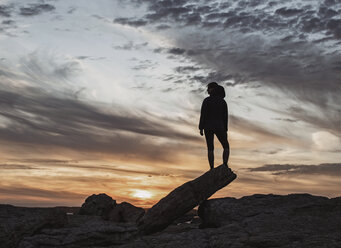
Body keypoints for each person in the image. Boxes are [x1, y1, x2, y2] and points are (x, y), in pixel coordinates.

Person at [199, 82, 230, 170]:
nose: (207, 90)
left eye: (209, 88)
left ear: (213, 89)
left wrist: (201, 128)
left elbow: (203, 115)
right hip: (220, 127)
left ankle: (212, 168)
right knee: (226, 146)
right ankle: (225, 164)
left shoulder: (207, 101)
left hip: (208, 127)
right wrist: (225, 129)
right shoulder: (222, 101)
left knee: (210, 148)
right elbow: (225, 117)